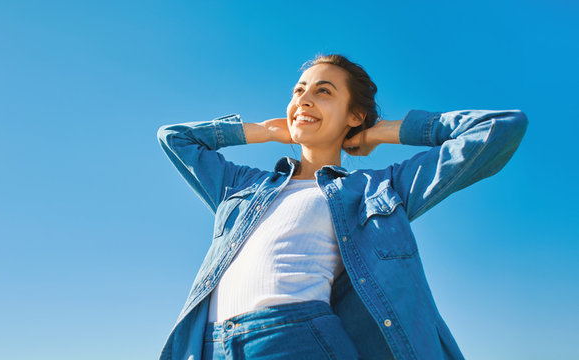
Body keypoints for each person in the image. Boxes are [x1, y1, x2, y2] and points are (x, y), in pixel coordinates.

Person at [156, 54, 528, 360]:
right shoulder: (242, 185)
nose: (304, 99)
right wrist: (265, 131)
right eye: (299, 91)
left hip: (295, 338)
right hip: (207, 345)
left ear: (354, 116)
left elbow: (499, 128)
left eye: (323, 92)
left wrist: (382, 131)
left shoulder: (377, 188)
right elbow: (175, 139)